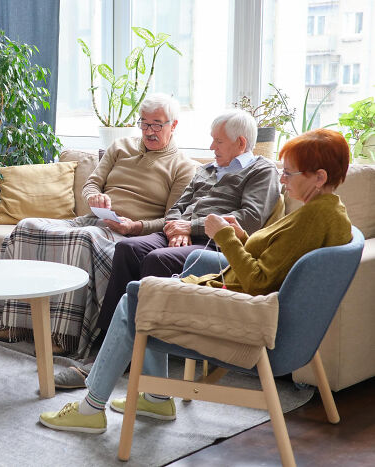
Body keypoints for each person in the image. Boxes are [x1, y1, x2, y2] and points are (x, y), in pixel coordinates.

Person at [39, 128, 353, 433]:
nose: (283, 181)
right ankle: (156, 398)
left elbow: (258, 281)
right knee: (145, 294)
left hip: (245, 316)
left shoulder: (313, 218)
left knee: (135, 299)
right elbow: (273, 264)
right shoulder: (329, 213)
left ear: (319, 177)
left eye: (290, 174)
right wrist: (243, 238)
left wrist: (225, 236)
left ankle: (92, 409)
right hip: (243, 301)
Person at [53, 109, 282, 387]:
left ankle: (136, 362)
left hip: (215, 244)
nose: (211, 147)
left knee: (156, 260)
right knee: (127, 250)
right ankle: (107, 348)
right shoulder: (207, 169)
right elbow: (176, 208)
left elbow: (250, 218)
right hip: (178, 235)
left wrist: (190, 227)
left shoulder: (261, 170)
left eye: (218, 142)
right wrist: (176, 227)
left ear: (241, 144)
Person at [0, 93, 198, 357]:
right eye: (144, 123)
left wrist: (136, 226)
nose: (149, 131)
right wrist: (93, 197)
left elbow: (172, 220)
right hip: (94, 220)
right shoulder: (121, 147)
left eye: (157, 124)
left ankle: (65, 336)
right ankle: (17, 324)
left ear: (174, 125)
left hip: (128, 234)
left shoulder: (183, 167)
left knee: (83, 240)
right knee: (26, 226)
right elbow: (91, 183)